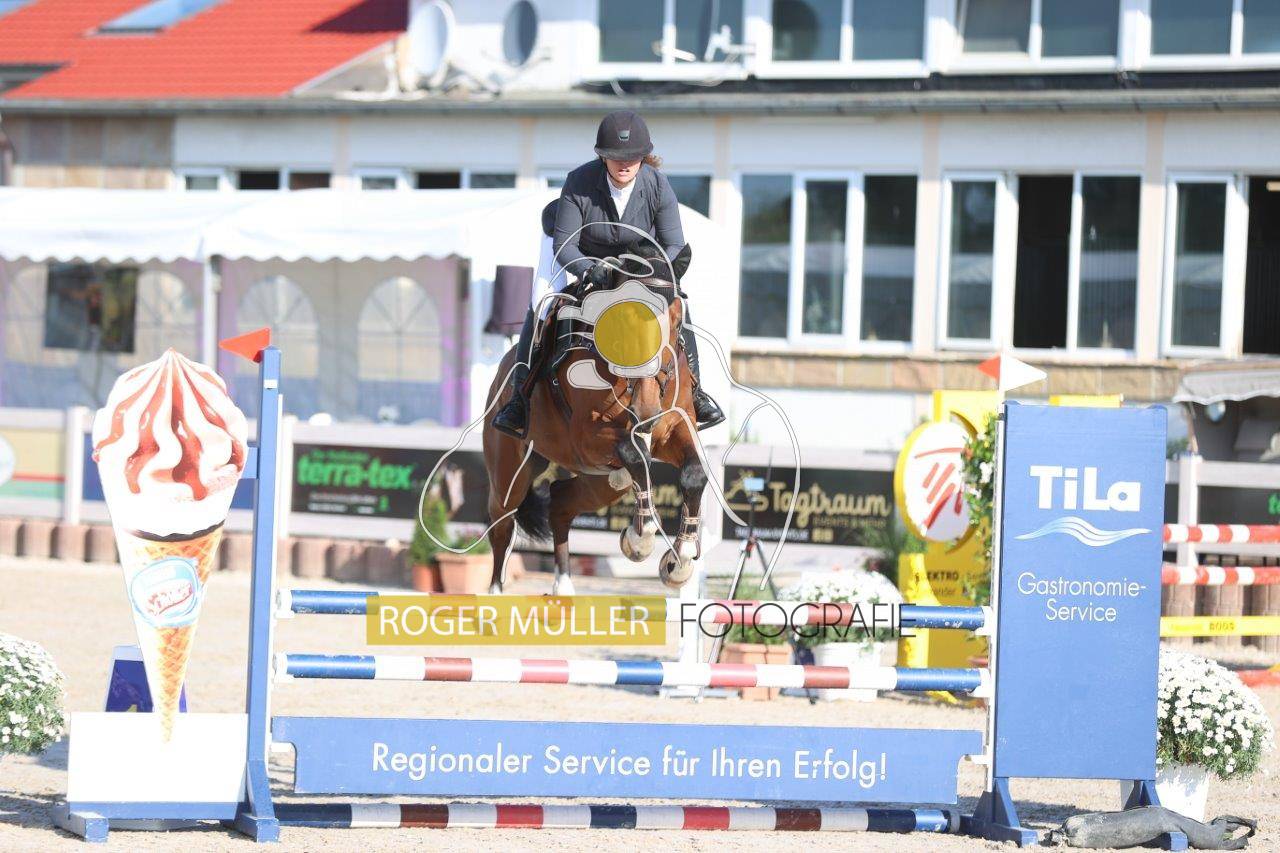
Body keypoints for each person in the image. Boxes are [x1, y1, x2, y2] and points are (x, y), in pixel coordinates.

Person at [492, 110, 725, 439]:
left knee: (678, 305)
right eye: (616, 157)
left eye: (632, 157)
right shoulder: (579, 181)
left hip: (637, 262)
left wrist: (658, 272)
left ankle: (697, 393)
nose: (624, 164)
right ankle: (520, 398)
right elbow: (565, 245)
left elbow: (674, 244)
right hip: (579, 252)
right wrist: (589, 269)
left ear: (643, 156)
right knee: (542, 301)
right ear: (602, 156)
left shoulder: (657, 184)